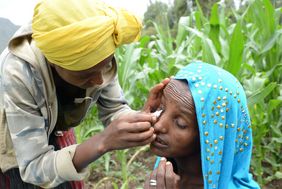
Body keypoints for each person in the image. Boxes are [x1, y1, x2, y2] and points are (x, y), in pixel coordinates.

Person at [0, 0, 168, 188]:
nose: (99, 80)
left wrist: (141, 118)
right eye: (86, 74)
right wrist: (104, 141)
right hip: (20, 139)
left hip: (58, 124)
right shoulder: (20, 71)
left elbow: (114, 110)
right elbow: (34, 167)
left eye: (105, 67)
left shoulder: (97, 45)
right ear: (55, 63)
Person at [144, 62, 261, 189]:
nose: (159, 125)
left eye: (180, 123)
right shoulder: (166, 176)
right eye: (161, 108)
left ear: (212, 136)